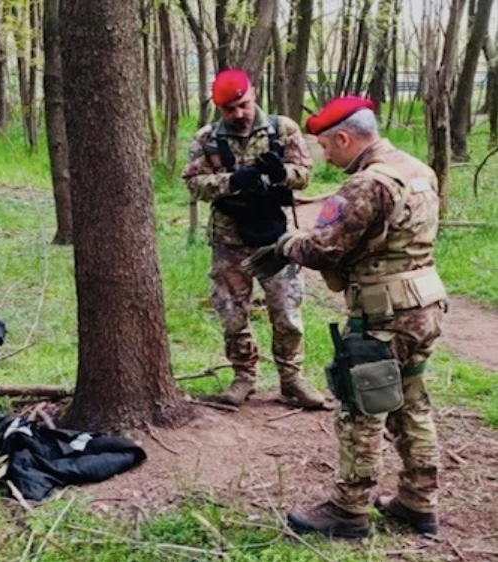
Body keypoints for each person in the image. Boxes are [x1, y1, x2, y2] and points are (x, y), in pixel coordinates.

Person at [246, 96, 446, 538]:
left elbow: (325, 248)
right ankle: (419, 501)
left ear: (344, 137)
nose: (325, 156)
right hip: (425, 305)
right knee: (411, 402)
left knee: (361, 408)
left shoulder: (367, 184)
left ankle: (348, 510)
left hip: (383, 313)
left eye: (326, 146)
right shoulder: (417, 170)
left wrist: (287, 244)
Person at [181, 68, 324, 409]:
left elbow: (303, 175)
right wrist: (233, 181)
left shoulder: (282, 128)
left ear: (254, 94)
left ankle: (292, 379)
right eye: (229, 109)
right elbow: (194, 183)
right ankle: (243, 376)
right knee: (232, 312)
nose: (239, 114)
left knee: (286, 311)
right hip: (230, 238)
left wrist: (282, 174)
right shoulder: (208, 138)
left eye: (243, 105)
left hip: (274, 238)